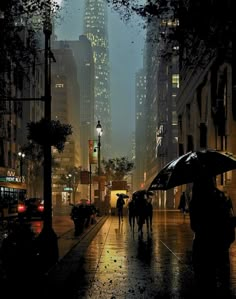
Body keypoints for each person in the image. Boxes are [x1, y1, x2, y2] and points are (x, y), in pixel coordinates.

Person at [189, 173, 235, 295]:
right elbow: (229, 221)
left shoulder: (195, 201)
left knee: (204, 284)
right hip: (220, 246)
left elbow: (194, 226)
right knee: (223, 283)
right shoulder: (223, 198)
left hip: (202, 247)